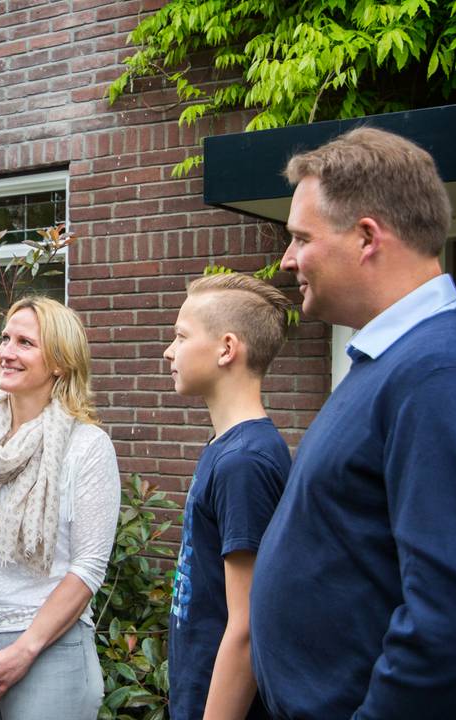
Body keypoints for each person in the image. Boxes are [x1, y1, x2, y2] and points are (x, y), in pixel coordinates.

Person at [251, 127, 456, 718]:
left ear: (367, 237)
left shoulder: (448, 373)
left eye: (300, 238)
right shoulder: (398, 363)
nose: (288, 259)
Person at [0, 296, 120, 720]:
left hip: (50, 649)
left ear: (59, 363)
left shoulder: (86, 447)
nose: (7, 352)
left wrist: (26, 648)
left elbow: (88, 566)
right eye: (5, 338)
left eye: (25, 343)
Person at [163, 273, 291, 720]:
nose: (169, 351)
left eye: (180, 336)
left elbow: (248, 625)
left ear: (226, 348)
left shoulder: (246, 463)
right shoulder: (225, 448)